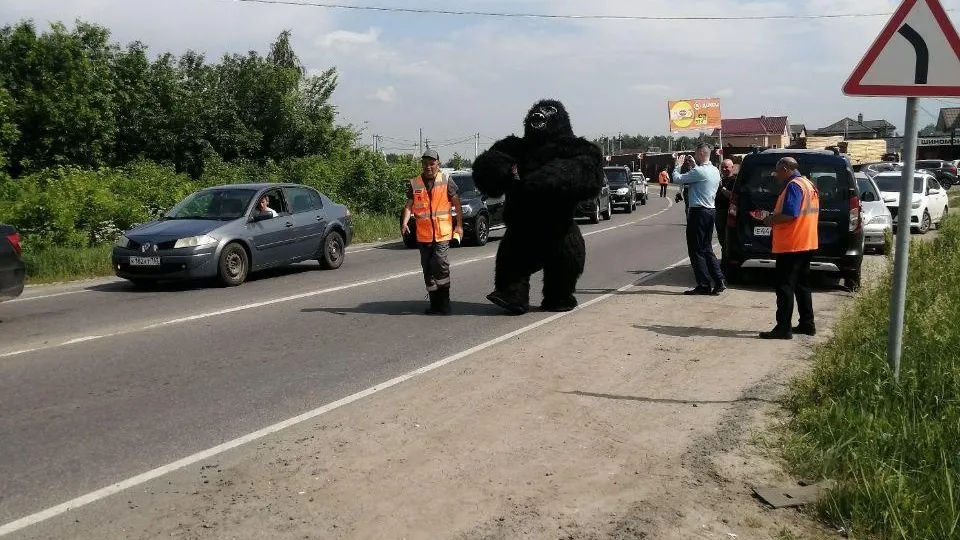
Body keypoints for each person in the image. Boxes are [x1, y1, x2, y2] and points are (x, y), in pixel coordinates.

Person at [759, 157, 820, 339]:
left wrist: (770, 219)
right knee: (802, 285)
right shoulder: (808, 183)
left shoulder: (793, 186)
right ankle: (807, 324)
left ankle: (783, 328)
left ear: (785, 169)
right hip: (807, 242)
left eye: (778, 171)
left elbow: (790, 214)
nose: (776, 175)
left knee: (785, 286)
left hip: (792, 244)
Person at [401, 149, 464, 315]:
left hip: (442, 233)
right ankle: (434, 304)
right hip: (424, 235)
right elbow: (409, 205)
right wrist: (405, 222)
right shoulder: (415, 183)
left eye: (432, 163)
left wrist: (459, 225)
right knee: (428, 269)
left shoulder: (446, 180)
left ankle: (444, 303)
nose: (428, 167)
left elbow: (456, 203)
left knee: (440, 263)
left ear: (438, 164)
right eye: (425, 164)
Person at [671, 144, 725, 295]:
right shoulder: (714, 170)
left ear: (701, 154)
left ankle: (703, 283)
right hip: (710, 211)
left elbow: (677, 179)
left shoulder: (699, 171)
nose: (694, 156)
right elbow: (701, 178)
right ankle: (719, 280)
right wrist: (694, 166)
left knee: (696, 249)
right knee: (707, 247)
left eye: (695, 154)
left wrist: (677, 165)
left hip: (698, 212)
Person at [715, 159, 737, 258]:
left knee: (727, 239)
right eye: (722, 167)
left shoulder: (735, 181)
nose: (724, 169)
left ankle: (726, 260)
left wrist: (721, 188)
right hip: (718, 212)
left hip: (728, 213)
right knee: (721, 238)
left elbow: (732, 196)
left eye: (726, 167)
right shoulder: (720, 180)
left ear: (732, 168)